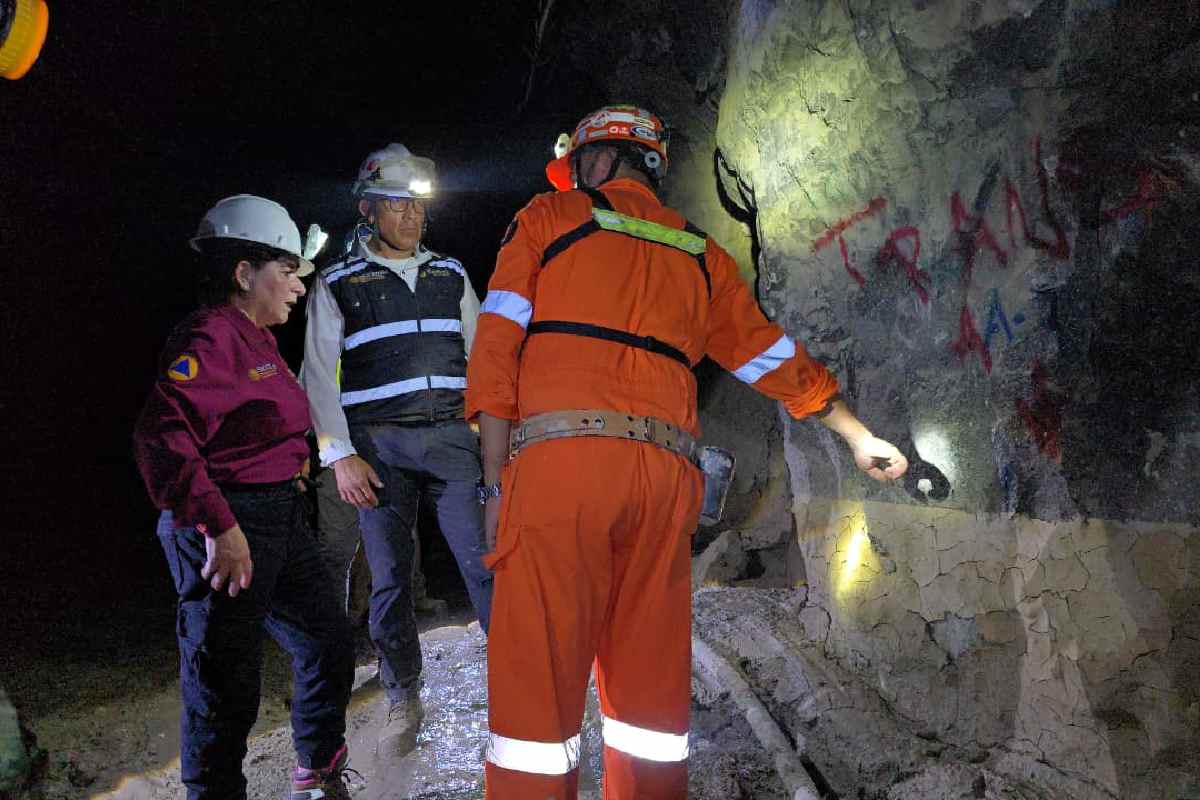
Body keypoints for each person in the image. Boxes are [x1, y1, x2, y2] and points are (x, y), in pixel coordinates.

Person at [467, 105, 910, 799]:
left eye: (580, 167)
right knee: (648, 696)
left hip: (562, 472)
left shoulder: (550, 219)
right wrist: (858, 435)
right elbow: (772, 358)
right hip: (666, 480)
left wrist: (494, 485)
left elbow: (496, 351)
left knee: (537, 694)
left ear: (597, 161)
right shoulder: (701, 253)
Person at [133, 195, 356, 800]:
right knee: (224, 686)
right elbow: (161, 436)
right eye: (286, 271)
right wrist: (218, 525)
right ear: (242, 273)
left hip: (278, 515)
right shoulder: (210, 336)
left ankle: (317, 766)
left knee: (327, 641)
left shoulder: (255, 338)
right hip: (229, 524)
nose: (298, 287)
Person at [301, 143, 493, 758]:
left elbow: (485, 354)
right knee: (388, 578)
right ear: (368, 209)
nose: (411, 217)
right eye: (398, 206)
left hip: (451, 438)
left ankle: (515, 679)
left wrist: (494, 438)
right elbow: (317, 376)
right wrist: (340, 455)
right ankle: (401, 692)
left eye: (418, 207)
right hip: (378, 449)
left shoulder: (451, 275)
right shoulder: (337, 283)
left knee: (487, 558)